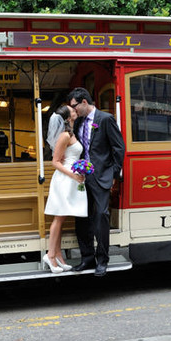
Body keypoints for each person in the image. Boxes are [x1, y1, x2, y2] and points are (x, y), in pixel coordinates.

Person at [68, 87, 125, 277]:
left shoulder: (105, 119)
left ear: (84, 102)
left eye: (75, 107)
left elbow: (118, 148)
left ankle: (103, 260)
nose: (73, 111)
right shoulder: (79, 122)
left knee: (101, 216)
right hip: (82, 177)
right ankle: (87, 258)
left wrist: (113, 174)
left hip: (101, 177)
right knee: (82, 218)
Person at [43, 105, 87, 273]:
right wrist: (73, 174)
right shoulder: (65, 135)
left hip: (71, 179)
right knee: (59, 218)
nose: (75, 110)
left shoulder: (71, 134)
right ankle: (50, 255)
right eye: (73, 110)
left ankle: (59, 255)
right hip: (65, 179)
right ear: (69, 117)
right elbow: (55, 162)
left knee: (61, 219)